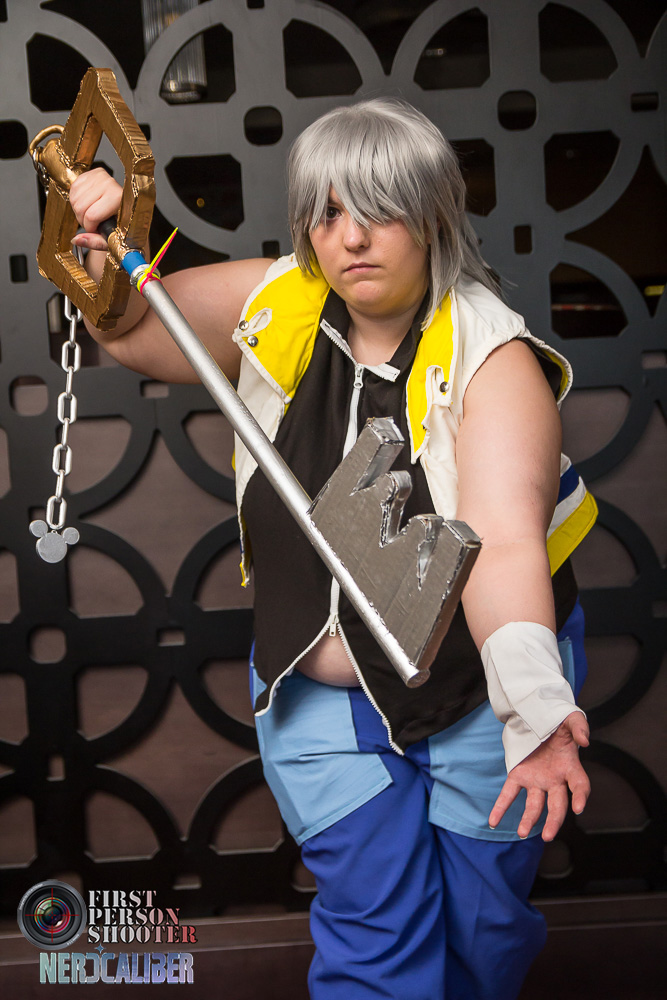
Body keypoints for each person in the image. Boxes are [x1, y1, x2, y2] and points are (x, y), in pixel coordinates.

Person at [70, 98, 595, 1000]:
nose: (349, 237)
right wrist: (101, 243)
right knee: (374, 937)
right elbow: (131, 331)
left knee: (480, 937)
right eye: (326, 212)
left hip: (481, 693)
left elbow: (505, 548)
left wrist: (538, 716)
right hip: (321, 696)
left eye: (379, 209)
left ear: (432, 215)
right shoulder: (281, 297)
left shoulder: (493, 358)